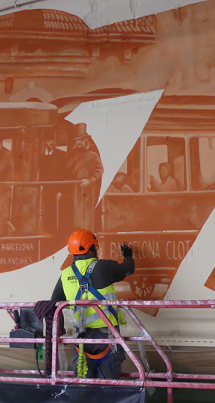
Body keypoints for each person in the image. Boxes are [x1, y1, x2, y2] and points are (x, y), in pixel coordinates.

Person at [51, 229, 135, 379]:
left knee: (84, 387)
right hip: (107, 337)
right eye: (95, 247)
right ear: (91, 248)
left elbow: (54, 302)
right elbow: (129, 269)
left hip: (81, 340)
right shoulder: (103, 267)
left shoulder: (65, 275)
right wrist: (128, 256)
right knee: (108, 389)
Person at [67, 124, 104, 228]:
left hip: (88, 191)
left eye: (81, 140)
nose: (78, 143)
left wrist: (90, 180)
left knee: (86, 215)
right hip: (76, 190)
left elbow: (99, 170)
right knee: (76, 214)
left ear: (86, 141)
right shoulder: (73, 156)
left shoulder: (93, 155)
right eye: (77, 140)